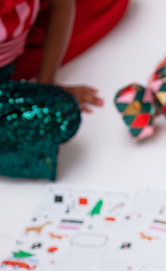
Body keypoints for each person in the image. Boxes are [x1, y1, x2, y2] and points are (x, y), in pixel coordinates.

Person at [0, 0, 103, 180]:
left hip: (11, 68)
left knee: (63, 110)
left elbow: (62, 4)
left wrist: (46, 83)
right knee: (59, 113)